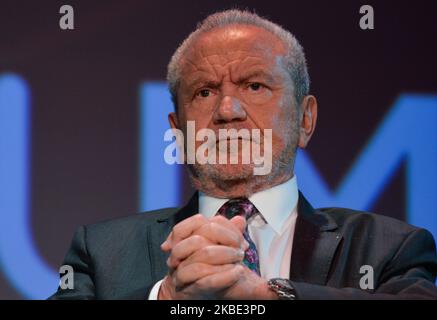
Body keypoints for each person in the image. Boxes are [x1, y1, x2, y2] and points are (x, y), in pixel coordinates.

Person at [49, 9, 437, 300]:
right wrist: (165, 298)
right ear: (177, 128)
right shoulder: (101, 252)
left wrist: (265, 297)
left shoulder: (389, 249)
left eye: (254, 86)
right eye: (204, 92)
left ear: (305, 120)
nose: (227, 110)